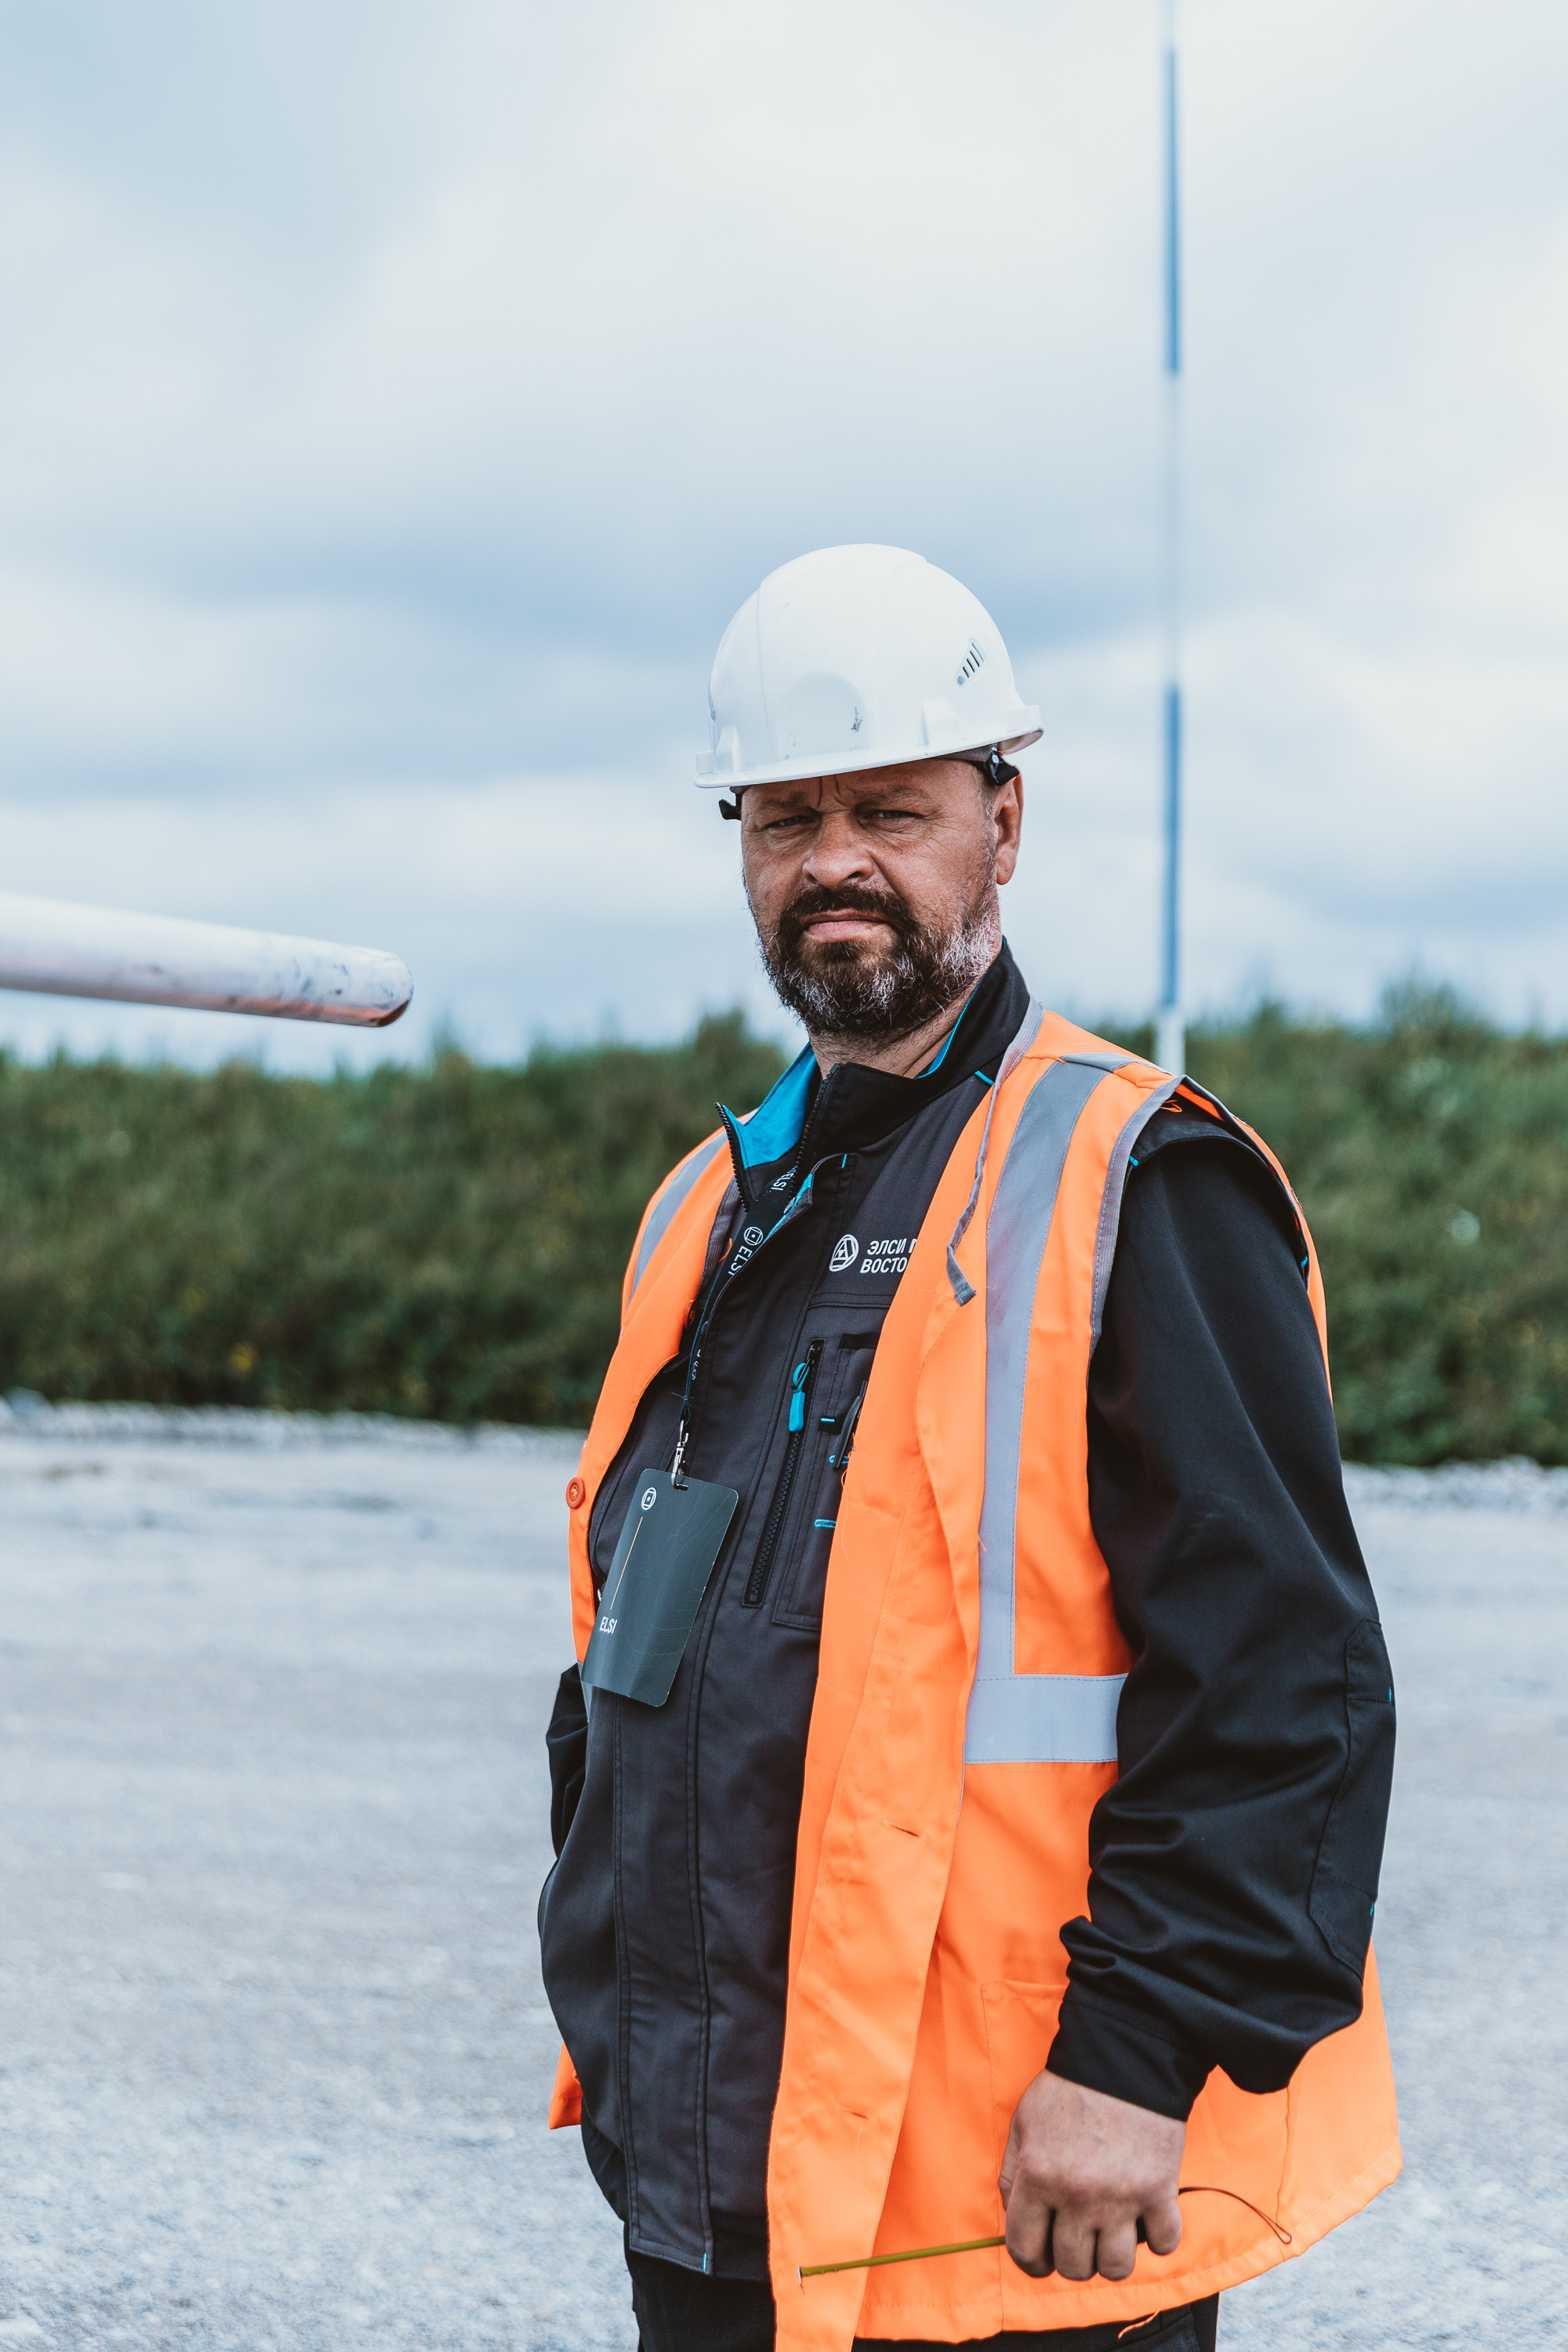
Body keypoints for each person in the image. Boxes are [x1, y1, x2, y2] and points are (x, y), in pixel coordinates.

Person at [539, 545, 1398, 2352]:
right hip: (718, 2169)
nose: (830, 858)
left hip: (1024, 2197)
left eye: (889, 808)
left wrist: (1140, 2058)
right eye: (784, 818)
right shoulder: (708, 1206)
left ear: (1000, 827)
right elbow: (630, 1649)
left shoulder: (1137, 1181)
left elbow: (1283, 1682)